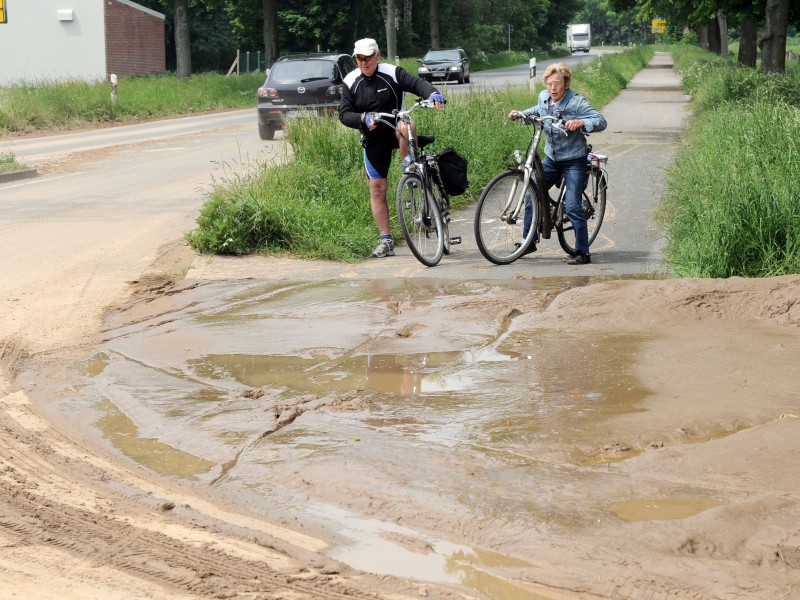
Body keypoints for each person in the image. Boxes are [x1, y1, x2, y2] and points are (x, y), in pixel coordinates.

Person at [339, 38, 446, 258]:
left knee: (408, 125)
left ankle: (410, 166)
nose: (364, 62)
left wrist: (432, 93)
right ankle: (386, 240)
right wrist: (362, 117)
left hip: (397, 129)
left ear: (377, 55)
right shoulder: (350, 81)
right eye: (359, 58)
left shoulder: (392, 72)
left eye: (368, 57)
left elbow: (417, 84)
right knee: (377, 188)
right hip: (373, 137)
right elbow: (343, 113)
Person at [509, 62, 606, 265]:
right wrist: (522, 113)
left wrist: (581, 122)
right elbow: (538, 109)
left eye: (557, 83)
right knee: (531, 194)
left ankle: (582, 252)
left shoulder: (577, 102)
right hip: (552, 159)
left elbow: (600, 120)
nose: (553, 88)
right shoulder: (544, 98)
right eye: (549, 83)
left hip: (574, 161)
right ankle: (529, 241)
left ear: (566, 84)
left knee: (572, 206)